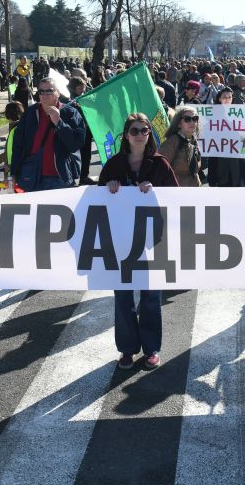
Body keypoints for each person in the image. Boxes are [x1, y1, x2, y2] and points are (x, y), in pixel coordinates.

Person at [98, 113, 179, 370]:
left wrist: (155, 190)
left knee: (150, 296)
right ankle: (127, 349)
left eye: (145, 130)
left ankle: (151, 348)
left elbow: (176, 199)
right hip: (120, 239)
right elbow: (96, 203)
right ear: (126, 135)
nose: (141, 134)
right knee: (122, 297)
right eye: (135, 130)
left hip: (150, 240)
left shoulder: (160, 164)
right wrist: (108, 186)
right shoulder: (113, 164)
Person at [10, 77, 86, 191]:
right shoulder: (30, 113)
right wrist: (14, 173)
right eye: (41, 91)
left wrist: (59, 123)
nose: (44, 95)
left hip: (60, 177)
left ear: (58, 93)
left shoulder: (70, 113)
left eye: (49, 91)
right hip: (31, 177)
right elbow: (18, 145)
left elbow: (75, 144)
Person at [208, 88, 245, 187]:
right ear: (219, 99)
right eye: (224, 97)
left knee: (236, 185)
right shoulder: (212, 114)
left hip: (236, 158)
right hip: (219, 158)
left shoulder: (240, 114)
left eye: (229, 97)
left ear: (232, 99)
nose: (227, 99)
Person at [158, 105, 203, 187]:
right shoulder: (171, 142)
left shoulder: (193, 140)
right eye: (187, 119)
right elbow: (160, 168)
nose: (192, 122)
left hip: (194, 189)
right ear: (178, 124)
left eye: (195, 118)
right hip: (177, 191)